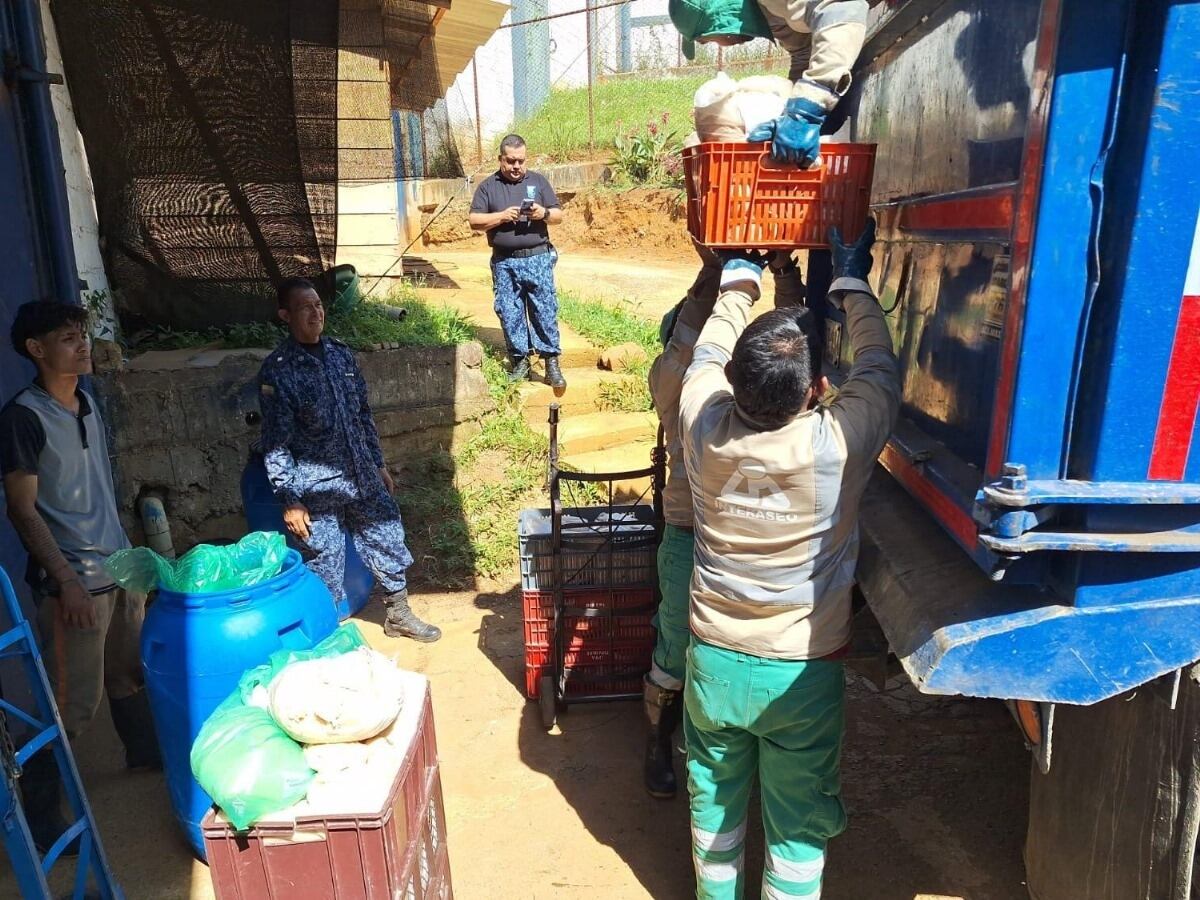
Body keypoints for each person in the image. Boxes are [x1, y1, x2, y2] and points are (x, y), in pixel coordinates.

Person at [678, 220, 898, 899]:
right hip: (800, 674)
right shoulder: (836, 445)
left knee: (712, 813)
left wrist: (738, 275)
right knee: (797, 826)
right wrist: (852, 277)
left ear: (735, 386)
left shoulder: (702, 423)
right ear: (815, 389)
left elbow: (706, 353)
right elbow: (880, 367)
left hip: (713, 659)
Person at [643, 247, 806, 799]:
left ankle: (675, 746)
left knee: (679, 643)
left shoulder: (697, 392)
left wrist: (721, 273)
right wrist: (783, 273)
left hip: (691, 534)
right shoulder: (719, 393)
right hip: (720, 535)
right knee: (683, 646)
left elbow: (783, 339)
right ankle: (669, 744)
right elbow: (795, 337)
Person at [0, 301, 161, 854]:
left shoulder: (86, 403)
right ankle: (41, 820)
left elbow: (95, 492)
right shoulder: (23, 415)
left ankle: (143, 750)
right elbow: (22, 510)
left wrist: (132, 555)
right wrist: (65, 580)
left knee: (127, 673)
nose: (82, 344)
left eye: (83, 335)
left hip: (116, 569)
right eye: (68, 338)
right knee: (71, 707)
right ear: (36, 350)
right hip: (76, 584)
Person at [257, 277, 440, 642]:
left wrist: (378, 463)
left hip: (361, 473)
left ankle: (399, 615)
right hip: (316, 483)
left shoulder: (342, 355)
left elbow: (362, 414)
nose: (316, 312)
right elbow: (275, 443)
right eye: (305, 307)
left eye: (319, 305)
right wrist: (290, 500)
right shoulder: (278, 371)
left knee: (387, 537)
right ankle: (326, 635)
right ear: (285, 315)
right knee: (322, 561)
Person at [669, 0, 870, 167]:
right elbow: (804, 52)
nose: (718, 46)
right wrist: (790, 112)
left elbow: (842, 9)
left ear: (715, 18)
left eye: (706, 40)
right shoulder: (776, 13)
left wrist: (805, 112)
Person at [468, 134, 567, 388]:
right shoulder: (488, 187)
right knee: (509, 312)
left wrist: (542, 213)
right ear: (501, 159)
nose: (516, 167)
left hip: (537, 258)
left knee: (544, 309)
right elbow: (474, 221)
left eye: (521, 161)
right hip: (504, 262)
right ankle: (519, 362)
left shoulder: (538, 181)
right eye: (511, 161)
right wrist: (501, 216)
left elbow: (558, 215)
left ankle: (551, 363)